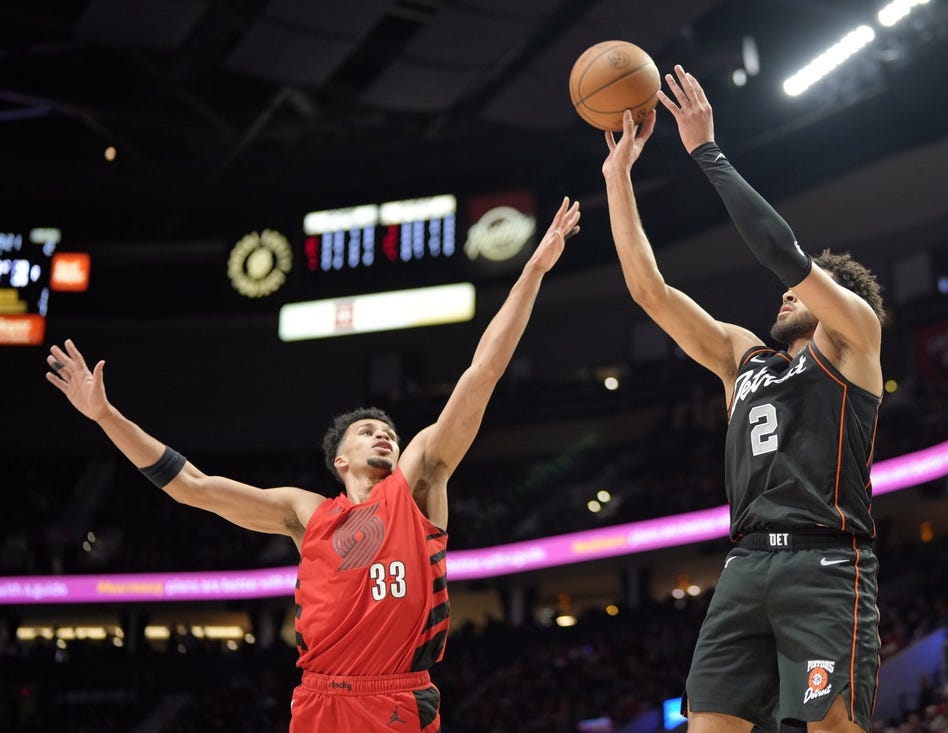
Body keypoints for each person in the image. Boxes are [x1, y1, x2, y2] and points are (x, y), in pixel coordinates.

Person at [44, 197, 582, 733]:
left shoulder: (419, 480)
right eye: (368, 431)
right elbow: (193, 486)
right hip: (317, 701)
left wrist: (532, 271)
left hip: (395, 698)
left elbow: (481, 372)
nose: (385, 435)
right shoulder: (305, 513)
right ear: (340, 459)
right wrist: (106, 417)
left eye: (388, 432)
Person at [601, 66, 886, 733]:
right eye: (787, 292)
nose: (784, 295)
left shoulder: (852, 341)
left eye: (802, 291)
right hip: (744, 563)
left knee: (832, 727)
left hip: (824, 561)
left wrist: (706, 152)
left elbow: (777, 250)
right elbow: (650, 292)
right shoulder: (742, 357)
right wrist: (618, 181)